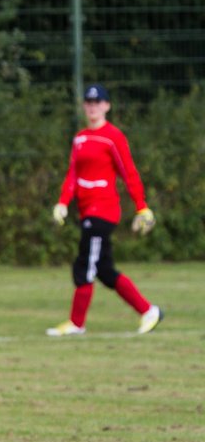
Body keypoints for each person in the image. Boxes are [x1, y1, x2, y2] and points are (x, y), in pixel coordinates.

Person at [48, 83, 162, 337]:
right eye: (88, 102)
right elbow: (73, 175)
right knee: (105, 271)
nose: (92, 107)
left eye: (97, 102)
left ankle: (77, 323)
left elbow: (129, 174)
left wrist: (142, 208)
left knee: (85, 264)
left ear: (107, 106)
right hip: (87, 211)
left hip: (104, 211)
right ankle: (149, 311)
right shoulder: (80, 138)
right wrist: (63, 202)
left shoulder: (114, 137)